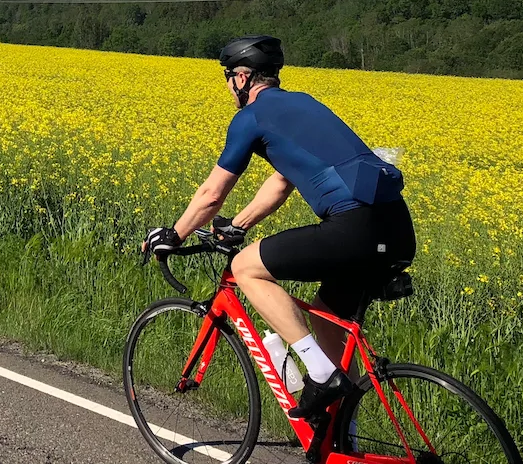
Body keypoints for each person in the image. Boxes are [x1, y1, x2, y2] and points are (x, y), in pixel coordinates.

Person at [143, 35, 414, 421]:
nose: (228, 86)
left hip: (354, 228)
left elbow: (211, 194)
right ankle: (342, 439)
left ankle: (319, 375)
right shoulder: (304, 103)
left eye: (227, 77)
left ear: (242, 77)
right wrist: (238, 225)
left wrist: (174, 234)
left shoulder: (251, 118)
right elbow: (282, 180)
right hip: (396, 230)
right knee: (326, 319)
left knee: (244, 268)